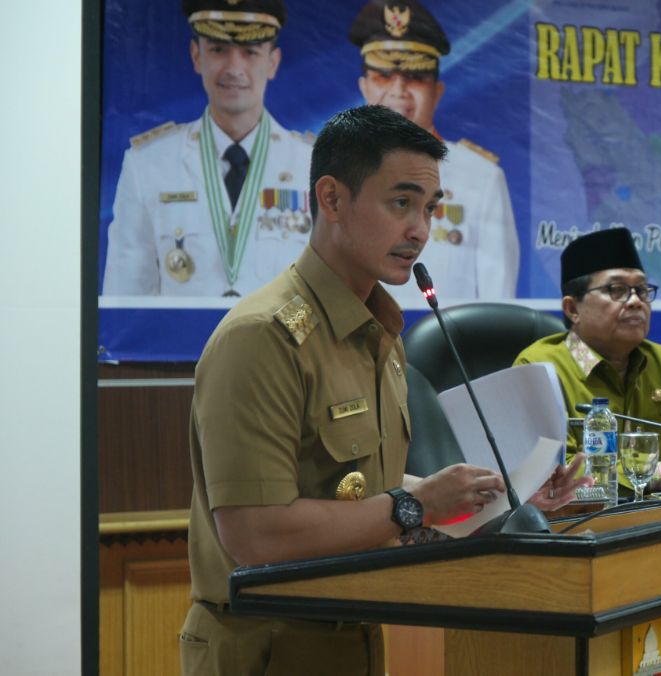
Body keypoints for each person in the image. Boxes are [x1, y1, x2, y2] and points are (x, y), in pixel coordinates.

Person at [180, 105, 584, 676]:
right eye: (401, 203)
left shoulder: (380, 332)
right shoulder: (263, 337)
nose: (420, 229)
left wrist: (501, 499)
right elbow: (255, 534)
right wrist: (415, 504)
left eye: (430, 208)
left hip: (357, 634)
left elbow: (364, 491)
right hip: (266, 644)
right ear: (332, 198)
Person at [103, 0, 315, 297]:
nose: (234, 68)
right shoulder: (148, 165)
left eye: (250, 52)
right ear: (196, 56)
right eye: (218, 50)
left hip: (283, 330)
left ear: (273, 62)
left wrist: (284, 328)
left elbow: (326, 292)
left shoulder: (314, 164)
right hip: (180, 332)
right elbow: (126, 298)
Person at [514, 228, 661, 493]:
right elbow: (556, 476)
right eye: (617, 290)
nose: (635, 301)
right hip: (578, 518)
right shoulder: (538, 368)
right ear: (573, 309)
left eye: (642, 290)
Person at [349, 0, 519, 301]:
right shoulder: (336, 170)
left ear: (437, 92)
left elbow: (498, 304)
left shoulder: (480, 178)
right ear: (364, 87)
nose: (398, 91)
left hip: (442, 331)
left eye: (415, 77)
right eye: (384, 76)